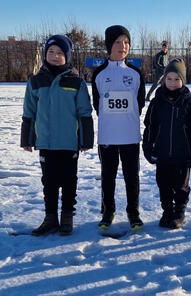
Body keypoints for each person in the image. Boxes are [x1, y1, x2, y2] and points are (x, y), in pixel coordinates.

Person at [20, 34, 94, 236]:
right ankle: (50, 217)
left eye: (60, 52)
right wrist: (27, 138)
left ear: (67, 56)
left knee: (69, 180)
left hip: (69, 142)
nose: (54, 55)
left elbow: (84, 112)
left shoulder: (75, 82)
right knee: (49, 182)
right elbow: (29, 112)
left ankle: (67, 217)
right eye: (51, 51)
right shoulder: (35, 81)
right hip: (46, 141)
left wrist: (86, 139)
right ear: (45, 54)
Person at [92, 25, 146, 231]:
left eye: (126, 42)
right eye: (117, 42)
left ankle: (133, 212)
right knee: (108, 176)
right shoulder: (98, 73)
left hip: (130, 136)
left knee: (132, 176)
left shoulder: (135, 73)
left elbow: (139, 104)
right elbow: (97, 105)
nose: (122, 46)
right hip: (107, 136)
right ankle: (108, 211)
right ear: (109, 45)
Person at [143, 58, 191, 229]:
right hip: (162, 153)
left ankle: (179, 212)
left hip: (183, 154)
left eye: (177, 79)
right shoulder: (156, 102)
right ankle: (167, 210)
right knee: (163, 184)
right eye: (168, 78)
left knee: (181, 186)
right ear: (163, 79)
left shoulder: (190, 103)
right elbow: (150, 126)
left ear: (182, 80)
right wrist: (147, 146)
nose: (172, 82)